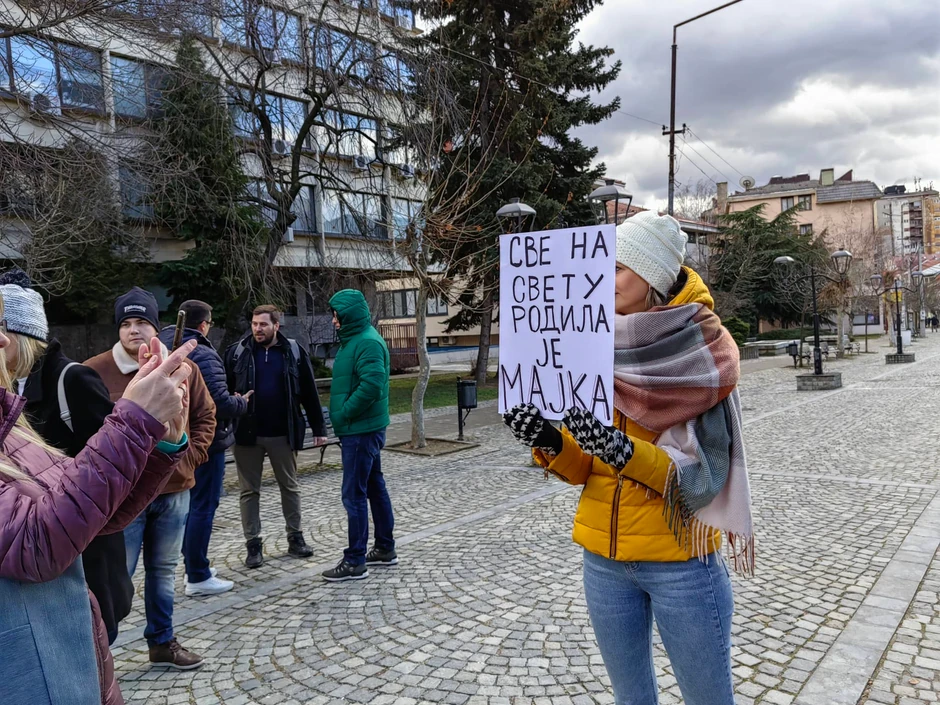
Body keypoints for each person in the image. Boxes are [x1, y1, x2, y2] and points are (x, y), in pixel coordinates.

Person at [503, 211, 753, 705]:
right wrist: (552, 444)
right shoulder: (589, 340)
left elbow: (701, 473)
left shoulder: (701, 349)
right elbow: (588, 469)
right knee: (630, 699)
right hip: (604, 563)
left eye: (616, 267)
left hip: (681, 562)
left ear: (652, 277)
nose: (602, 278)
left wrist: (621, 451)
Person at [0, 282, 197, 705]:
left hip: (70, 654)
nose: (1, 336)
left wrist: (163, 443)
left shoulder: (12, 423)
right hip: (34, 670)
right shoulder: (76, 377)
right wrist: (136, 421)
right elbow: (33, 541)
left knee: (160, 570)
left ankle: (160, 637)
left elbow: (94, 501)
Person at [0, 271, 134, 645]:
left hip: (87, 546)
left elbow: (113, 466)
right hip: (37, 556)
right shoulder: (7, 390)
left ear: (21, 336)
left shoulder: (73, 380)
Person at [87, 287, 217, 670]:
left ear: (156, 328)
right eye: (126, 323)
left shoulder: (183, 368)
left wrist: (188, 460)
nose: (133, 330)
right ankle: (98, 652)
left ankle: (162, 642)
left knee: (163, 571)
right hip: (121, 496)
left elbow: (206, 418)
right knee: (115, 578)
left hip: (173, 491)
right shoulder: (94, 371)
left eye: (142, 321)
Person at [225, 304, 327, 569]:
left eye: (263, 324)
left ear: (276, 326)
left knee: (290, 487)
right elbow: (221, 391)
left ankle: (295, 538)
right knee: (249, 491)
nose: (257, 329)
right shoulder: (237, 353)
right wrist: (230, 405)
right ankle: (253, 545)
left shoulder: (293, 352)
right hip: (247, 434)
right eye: (254, 324)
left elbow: (309, 392)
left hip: (283, 432)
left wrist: (319, 429)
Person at [158, 300, 248, 597]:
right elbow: (218, 404)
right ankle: (197, 573)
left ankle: (192, 566)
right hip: (205, 442)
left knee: (185, 508)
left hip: (170, 441)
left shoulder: (160, 347)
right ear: (204, 324)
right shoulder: (204, 353)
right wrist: (242, 403)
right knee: (203, 508)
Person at [321, 289, 395, 583]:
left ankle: (355, 560)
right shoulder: (356, 339)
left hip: (361, 431)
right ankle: (385, 549)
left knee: (354, 495)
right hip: (361, 430)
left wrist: (345, 413)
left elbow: (373, 384)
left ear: (348, 315)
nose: (333, 321)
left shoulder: (366, 342)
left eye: (336, 315)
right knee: (374, 488)